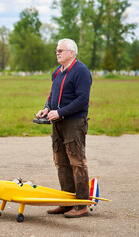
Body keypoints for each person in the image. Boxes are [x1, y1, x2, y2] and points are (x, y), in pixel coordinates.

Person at [36, 38, 92, 218]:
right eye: (56, 50)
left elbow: (83, 99)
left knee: (77, 162)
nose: (57, 53)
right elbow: (52, 94)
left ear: (72, 53)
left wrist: (60, 112)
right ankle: (67, 202)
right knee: (61, 162)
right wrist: (46, 108)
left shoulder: (81, 71)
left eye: (61, 50)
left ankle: (82, 204)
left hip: (74, 122)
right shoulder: (57, 72)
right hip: (58, 122)